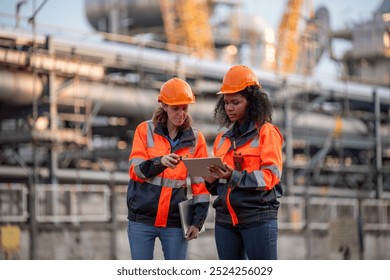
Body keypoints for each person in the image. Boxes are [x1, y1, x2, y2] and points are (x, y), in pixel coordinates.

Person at [204, 65, 284, 260]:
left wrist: (233, 175)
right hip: (225, 221)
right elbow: (218, 188)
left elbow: (270, 177)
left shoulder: (267, 133)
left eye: (235, 102)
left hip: (257, 218)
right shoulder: (222, 139)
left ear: (252, 102)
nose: (229, 108)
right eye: (226, 102)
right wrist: (210, 179)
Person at [126, 77, 210, 260]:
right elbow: (136, 171)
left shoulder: (196, 140)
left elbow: (201, 186)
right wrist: (159, 162)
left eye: (185, 108)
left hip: (175, 221)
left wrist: (197, 221)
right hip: (142, 219)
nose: (181, 113)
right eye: (175, 108)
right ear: (163, 105)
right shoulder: (144, 131)